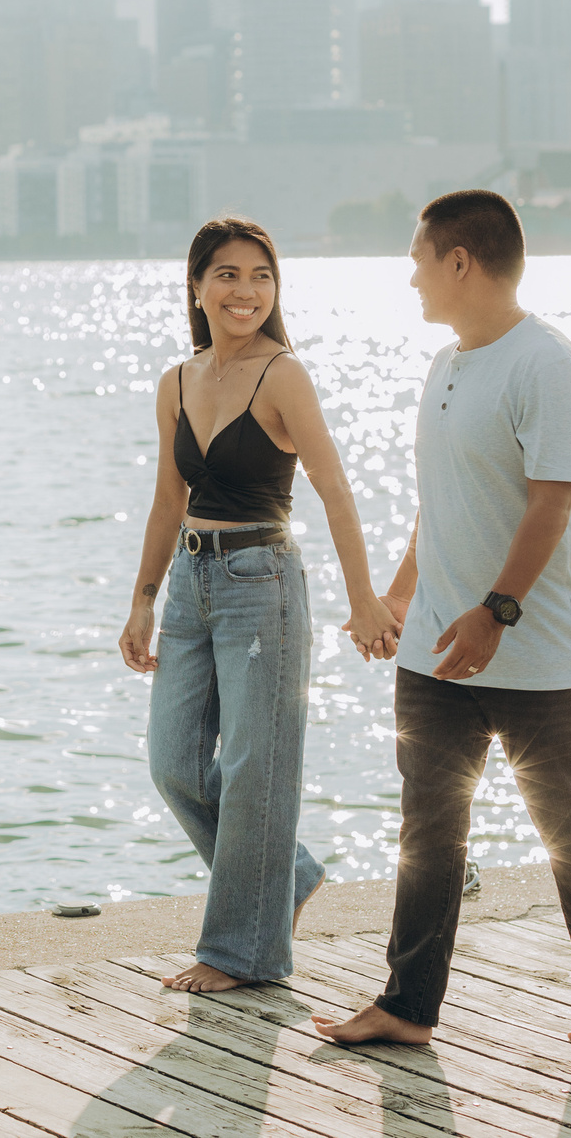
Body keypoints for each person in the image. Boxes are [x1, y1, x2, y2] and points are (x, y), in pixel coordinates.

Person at [314, 189, 571, 1048]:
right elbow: (440, 504)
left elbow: (552, 502)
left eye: (419, 260)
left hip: (534, 652)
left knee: (566, 823)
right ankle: (407, 1005)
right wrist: (398, 595)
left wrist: (496, 611)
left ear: (459, 261)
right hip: (434, 651)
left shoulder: (548, 364)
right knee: (429, 829)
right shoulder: (446, 364)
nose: (412, 278)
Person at [120, 217, 400, 992]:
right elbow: (167, 500)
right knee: (174, 763)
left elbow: (334, 488)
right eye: (228, 274)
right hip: (191, 582)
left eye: (261, 275)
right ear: (197, 286)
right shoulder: (177, 381)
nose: (246, 290)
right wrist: (143, 600)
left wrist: (364, 598)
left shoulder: (283, 375)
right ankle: (289, 875)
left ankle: (242, 953)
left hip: (262, 581)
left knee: (254, 770)